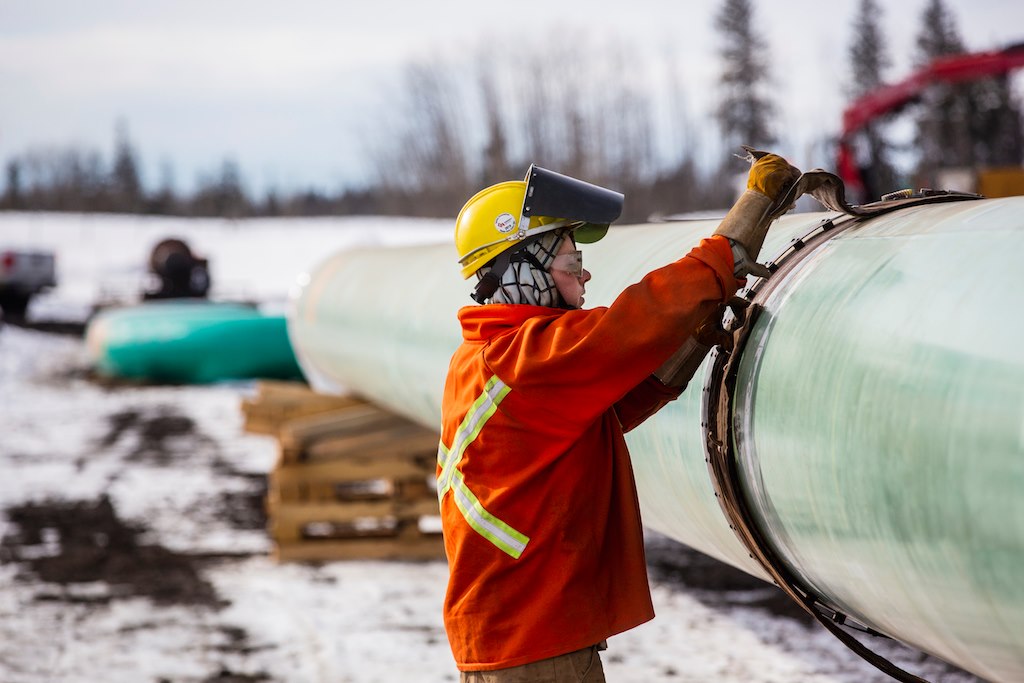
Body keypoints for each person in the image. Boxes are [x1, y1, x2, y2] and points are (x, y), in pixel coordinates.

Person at [438, 153, 801, 682]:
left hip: (523, 631)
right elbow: (641, 316)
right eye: (569, 263)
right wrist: (743, 224)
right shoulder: (525, 357)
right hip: (532, 642)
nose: (584, 273)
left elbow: (605, 412)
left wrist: (696, 338)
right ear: (521, 272)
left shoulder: (484, 358)